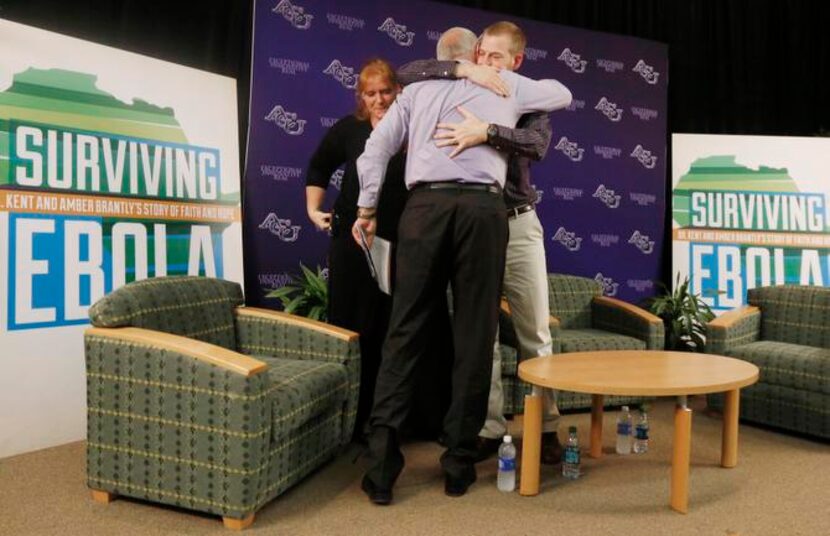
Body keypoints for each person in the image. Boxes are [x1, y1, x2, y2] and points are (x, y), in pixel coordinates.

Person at [353, 27, 572, 505]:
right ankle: (457, 466)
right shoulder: (506, 84)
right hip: (481, 212)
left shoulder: (414, 91)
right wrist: (487, 79)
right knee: (476, 335)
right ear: (471, 55)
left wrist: (367, 209)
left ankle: (383, 470)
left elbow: (375, 150)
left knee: (405, 332)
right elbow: (563, 92)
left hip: (425, 210)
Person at [398, 21, 566, 464]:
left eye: (495, 57)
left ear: (515, 61)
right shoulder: (459, 83)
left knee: (534, 331)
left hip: (517, 225)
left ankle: (546, 426)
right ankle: (487, 427)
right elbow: (407, 71)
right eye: (482, 56)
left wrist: (488, 131)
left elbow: (537, 143)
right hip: (470, 225)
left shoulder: (523, 93)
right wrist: (461, 71)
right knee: (481, 337)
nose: (487, 63)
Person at [304, 58, 409, 440]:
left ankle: (386, 421)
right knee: (351, 328)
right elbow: (318, 167)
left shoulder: (413, 129)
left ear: (398, 91)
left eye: (385, 91)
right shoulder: (349, 129)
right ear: (360, 98)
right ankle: (349, 422)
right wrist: (313, 211)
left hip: (399, 246)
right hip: (351, 244)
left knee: (391, 329)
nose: (379, 99)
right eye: (371, 93)